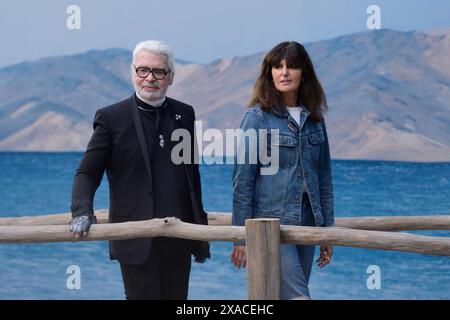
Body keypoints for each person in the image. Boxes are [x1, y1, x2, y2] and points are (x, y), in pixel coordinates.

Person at [69, 40, 210, 300]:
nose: (150, 78)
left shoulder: (185, 114)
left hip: (180, 237)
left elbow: (191, 176)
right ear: (132, 73)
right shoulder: (112, 118)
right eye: (142, 70)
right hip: (135, 237)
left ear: (170, 77)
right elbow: (87, 173)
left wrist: (200, 230)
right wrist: (81, 211)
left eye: (159, 72)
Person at [230, 41, 334, 300]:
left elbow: (324, 181)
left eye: (292, 66)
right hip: (270, 225)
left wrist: (327, 231)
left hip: (309, 223)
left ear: (304, 73)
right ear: (270, 73)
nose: (284, 72)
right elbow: (243, 180)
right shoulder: (257, 118)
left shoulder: (315, 121)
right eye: (278, 67)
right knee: (300, 297)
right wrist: (240, 237)